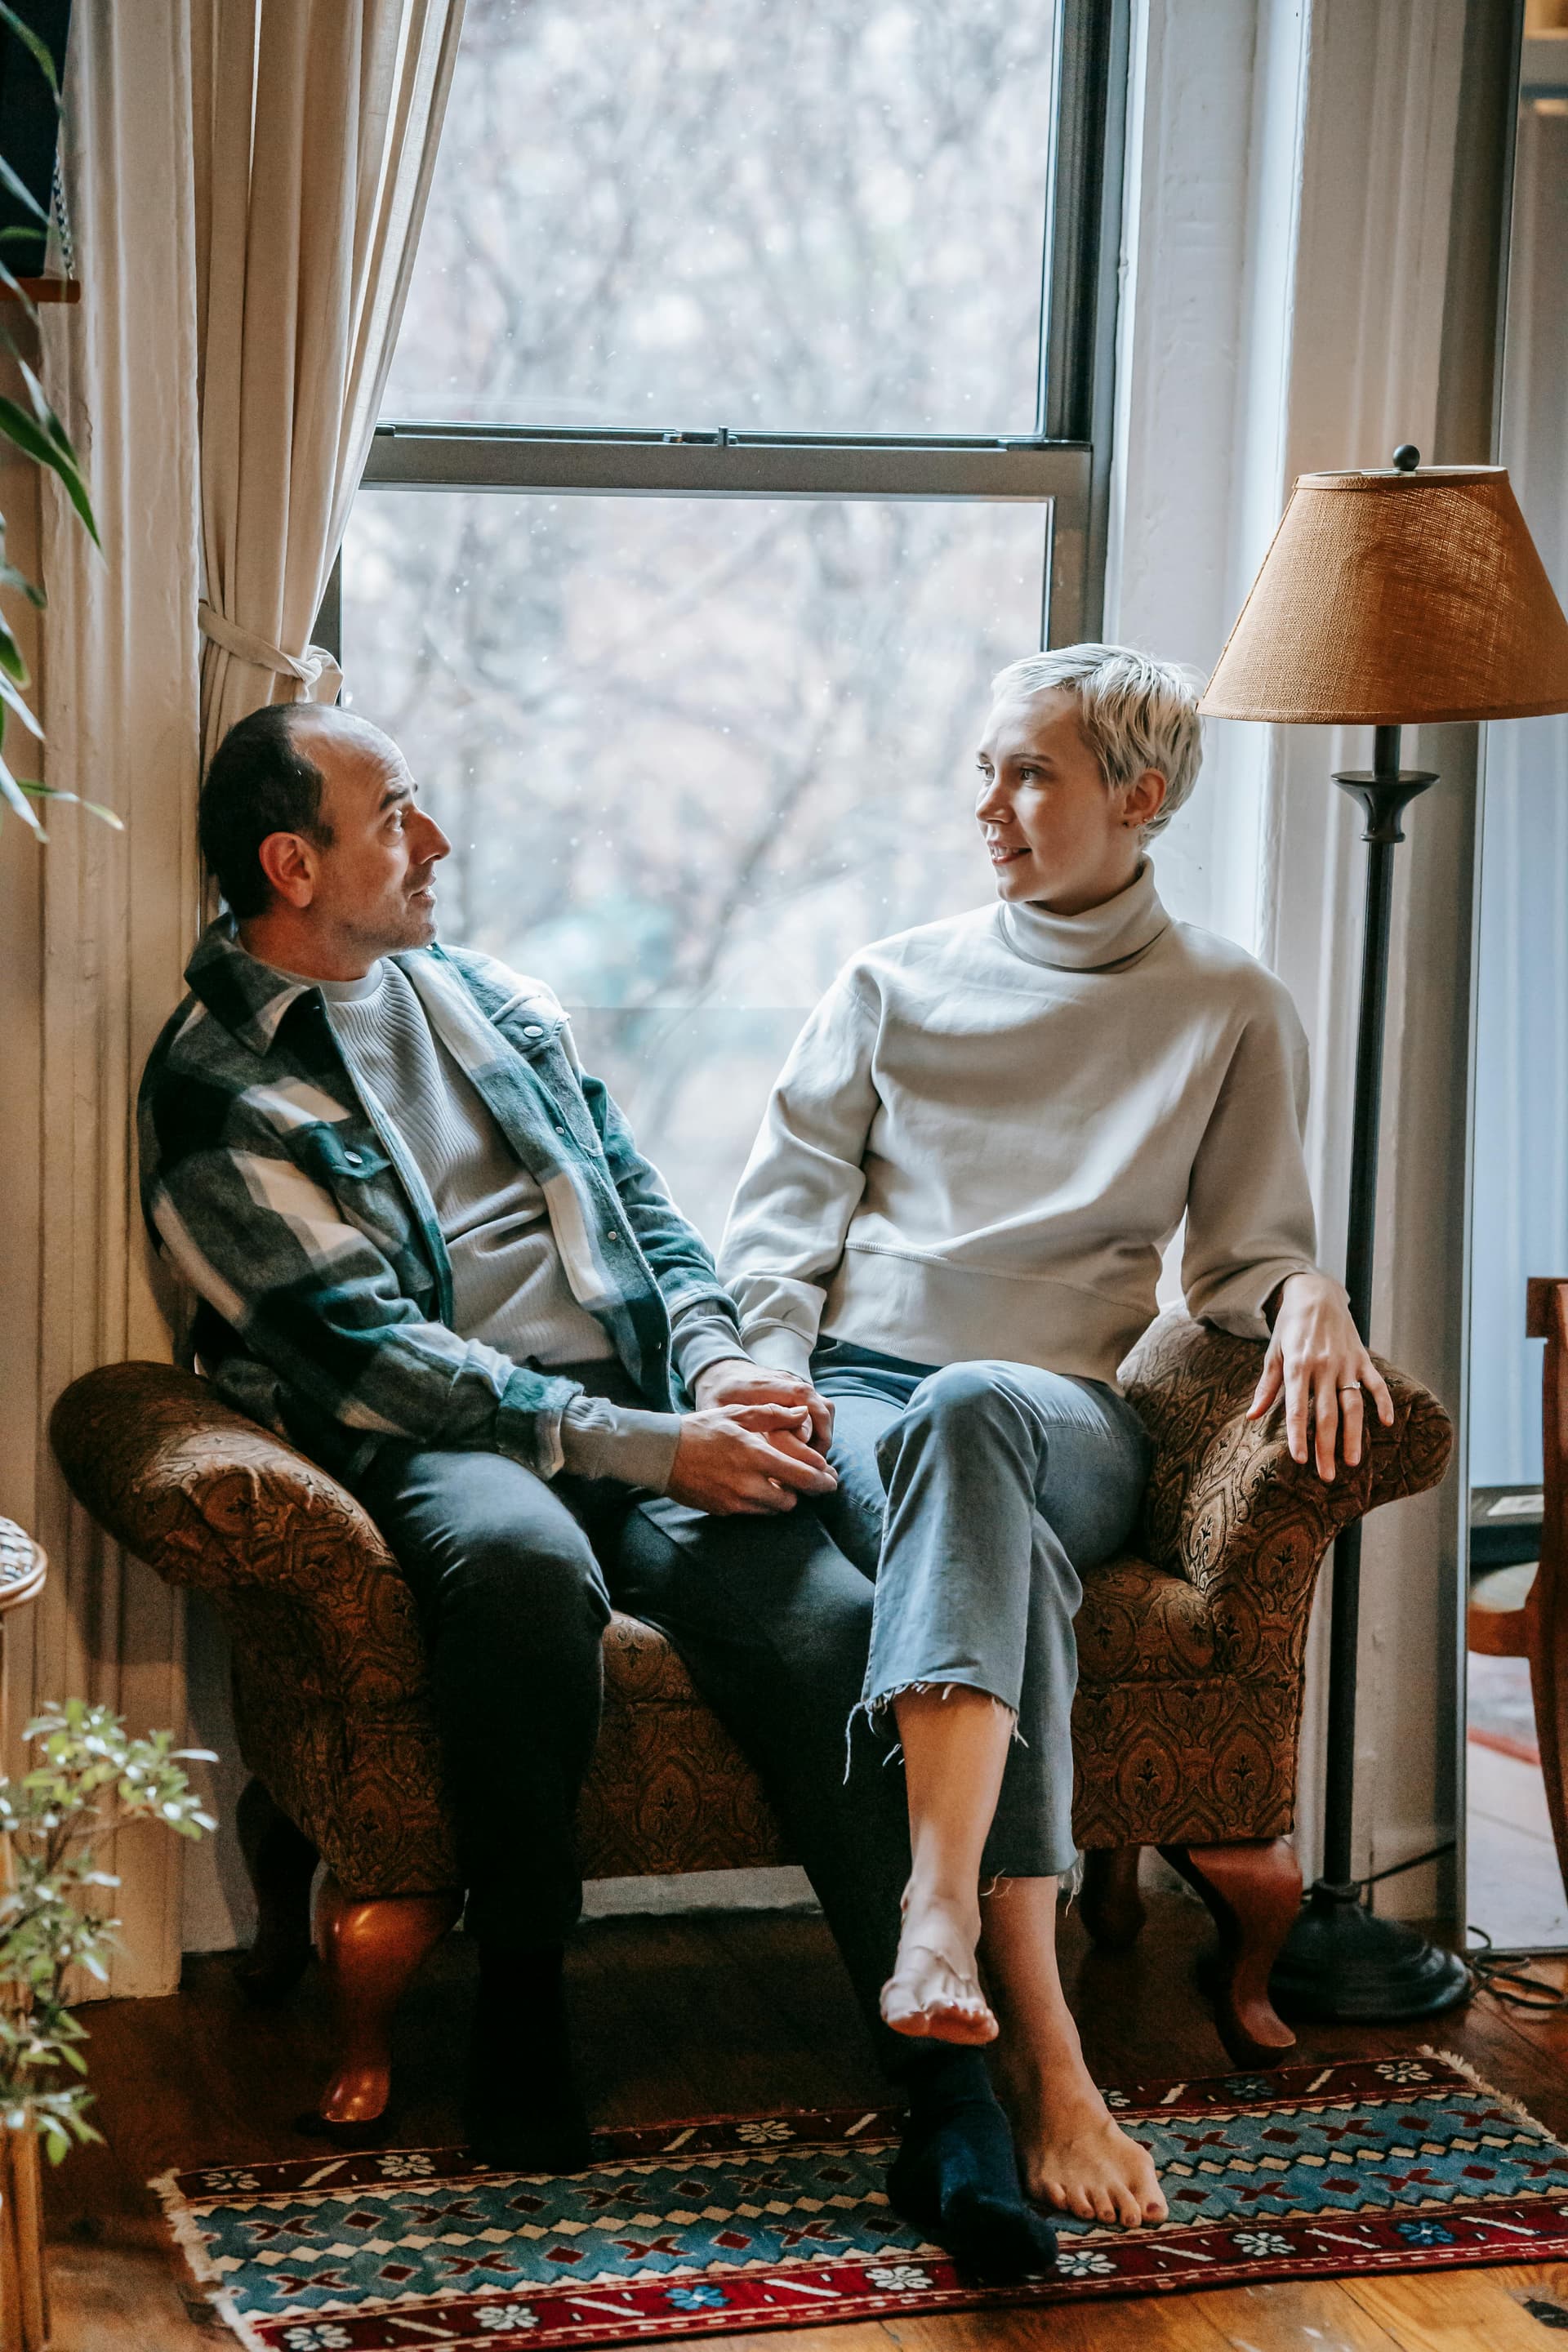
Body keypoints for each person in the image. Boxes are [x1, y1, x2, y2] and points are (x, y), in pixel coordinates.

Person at [140, 701, 1056, 2281]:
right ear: (293, 864)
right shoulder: (217, 1085)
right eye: (397, 816)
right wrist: (644, 1446)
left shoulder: (490, 1001)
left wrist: (709, 1372)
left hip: (638, 1404)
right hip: (441, 1445)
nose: (435, 843)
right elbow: (377, 1358)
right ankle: (522, 1999)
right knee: (511, 1573)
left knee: (834, 1628)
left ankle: (948, 2097)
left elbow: (647, 1214)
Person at [710, 644, 1392, 2232]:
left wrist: (1308, 1295)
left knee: (983, 1418)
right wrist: (769, 1364)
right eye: (983, 770)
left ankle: (938, 1907)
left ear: (1139, 799)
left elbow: (1238, 1262)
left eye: (1030, 774)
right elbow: (779, 1228)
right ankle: (1049, 2055)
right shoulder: (891, 979)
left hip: (1068, 1416)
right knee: (960, 1452)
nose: (989, 807)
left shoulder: (1226, 1004)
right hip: (871, 1410)